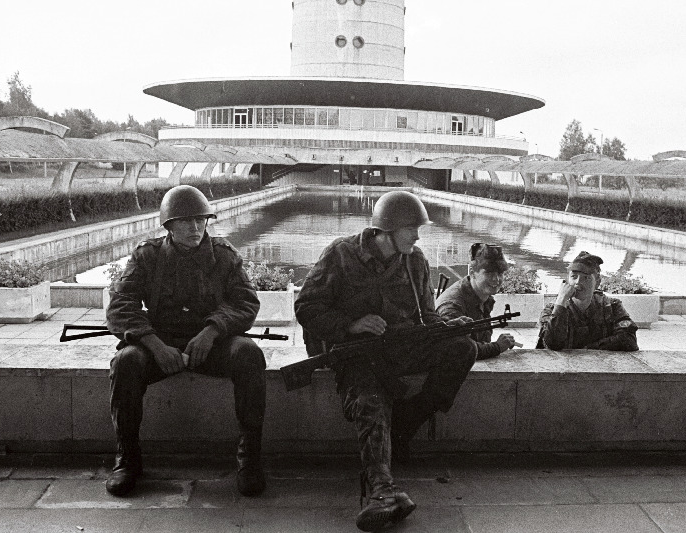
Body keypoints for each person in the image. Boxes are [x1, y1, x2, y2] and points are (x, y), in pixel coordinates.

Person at [294, 190, 477, 532]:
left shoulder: (415, 261)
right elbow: (306, 307)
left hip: (401, 346)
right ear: (387, 229)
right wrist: (350, 324)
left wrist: (450, 328)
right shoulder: (341, 254)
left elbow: (426, 319)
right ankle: (382, 491)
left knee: (462, 348)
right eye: (412, 229)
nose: (418, 236)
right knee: (370, 398)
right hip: (356, 353)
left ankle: (404, 426)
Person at [105, 185, 266, 497]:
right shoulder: (146, 257)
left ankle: (249, 459)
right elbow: (119, 307)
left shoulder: (225, 257)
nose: (196, 228)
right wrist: (153, 344)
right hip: (161, 344)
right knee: (125, 362)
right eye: (187, 222)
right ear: (169, 225)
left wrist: (213, 331)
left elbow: (246, 303)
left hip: (212, 344)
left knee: (249, 354)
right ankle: (127, 459)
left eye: (201, 221)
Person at [537, 251, 638, 351]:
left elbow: (629, 340)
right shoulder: (552, 310)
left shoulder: (612, 307)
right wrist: (561, 300)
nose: (578, 283)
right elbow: (552, 345)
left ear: (597, 282)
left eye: (586, 278)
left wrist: (589, 349)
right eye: (574, 277)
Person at [436, 243, 518, 359]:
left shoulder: (483, 297)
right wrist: (497, 347)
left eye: (500, 273)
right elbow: (458, 349)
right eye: (489, 273)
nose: (496, 279)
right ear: (472, 272)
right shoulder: (453, 305)